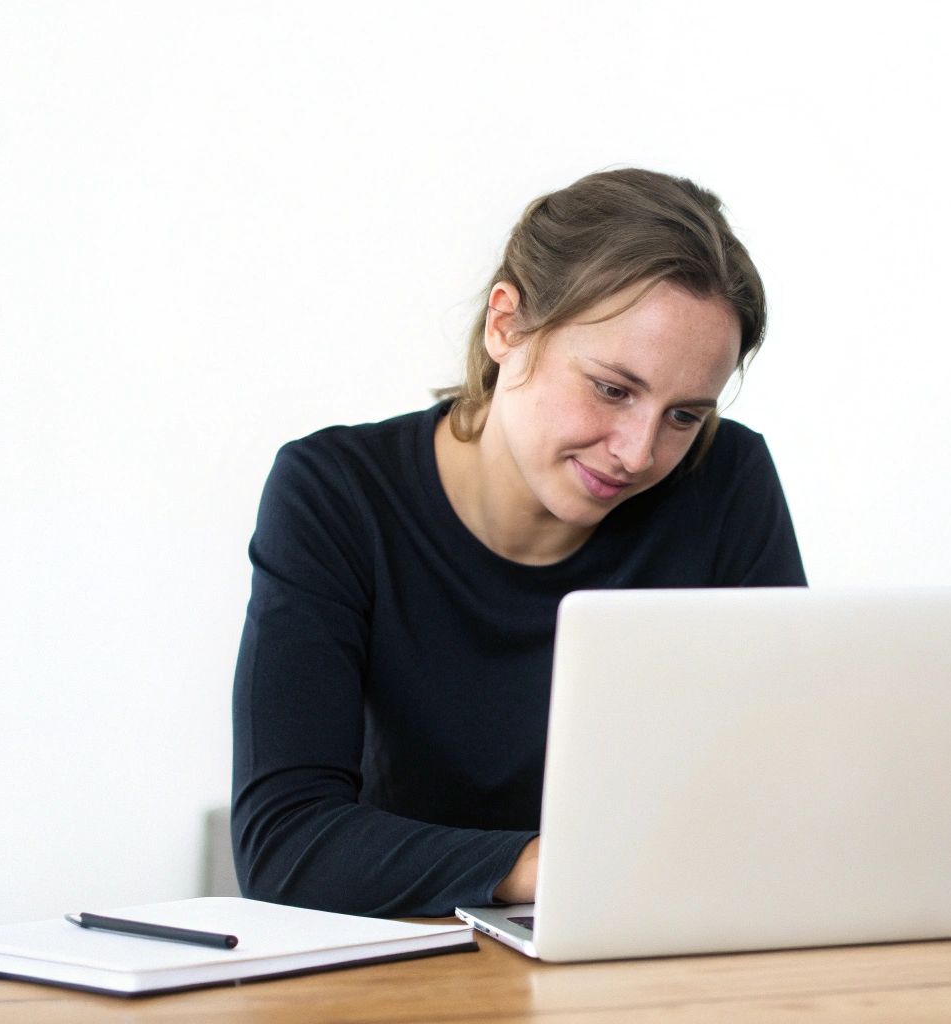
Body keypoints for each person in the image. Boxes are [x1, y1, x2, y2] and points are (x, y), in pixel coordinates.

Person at [230, 168, 806, 918]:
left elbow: (785, 785)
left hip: (645, 942)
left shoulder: (724, 481)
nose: (637, 453)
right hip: (420, 960)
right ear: (506, 325)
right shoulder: (338, 494)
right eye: (612, 389)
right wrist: (553, 869)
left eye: (684, 416)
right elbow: (283, 844)